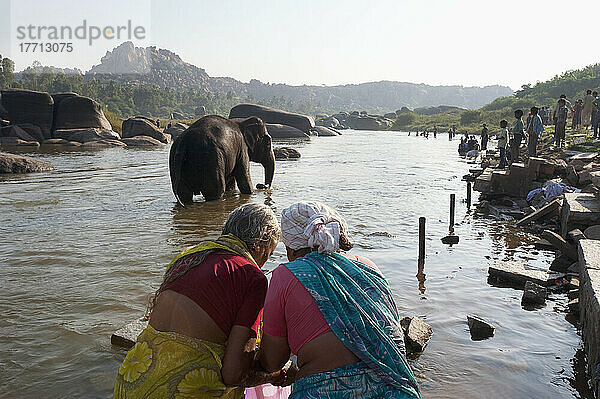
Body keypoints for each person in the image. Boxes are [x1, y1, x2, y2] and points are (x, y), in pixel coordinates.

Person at [114, 203, 290, 398]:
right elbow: (234, 374)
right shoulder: (251, 276)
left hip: (130, 381)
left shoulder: (186, 256)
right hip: (180, 390)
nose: (264, 261)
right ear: (260, 244)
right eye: (269, 254)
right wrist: (274, 375)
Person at [259, 201, 421, 399]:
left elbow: (272, 362)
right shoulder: (369, 267)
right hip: (394, 388)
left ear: (291, 247)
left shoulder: (285, 275)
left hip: (322, 392)